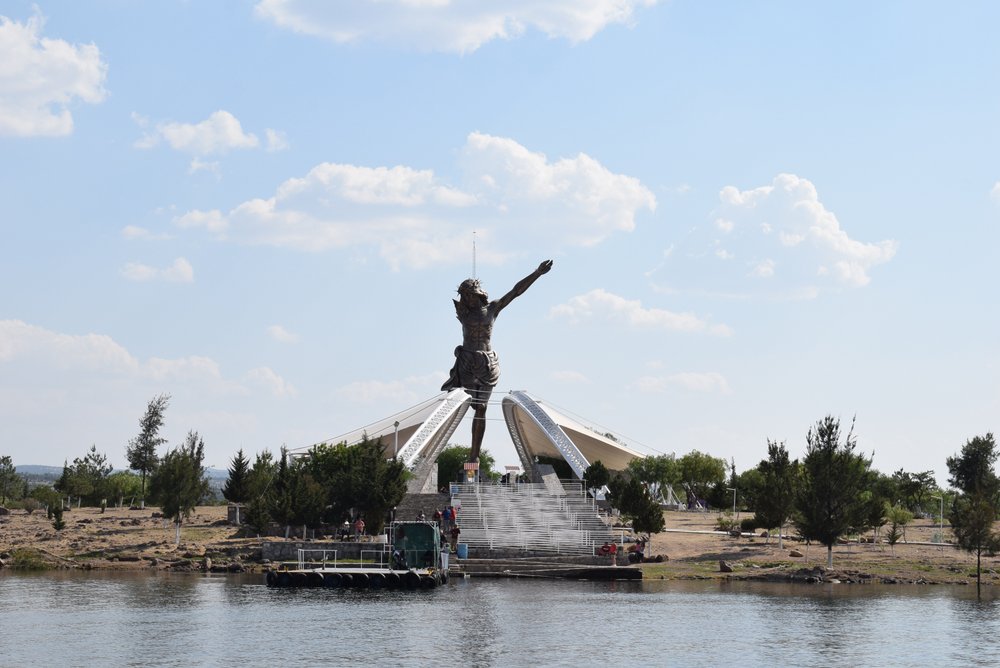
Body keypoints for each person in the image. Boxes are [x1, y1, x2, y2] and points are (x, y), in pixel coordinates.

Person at [441, 260, 553, 472]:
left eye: (470, 295)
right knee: (463, 402)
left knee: (481, 408)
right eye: (465, 296)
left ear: (478, 294)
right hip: (466, 360)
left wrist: (537, 273)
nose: (467, 299)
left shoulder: (493, 308)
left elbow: (515, 292)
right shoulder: (463, 313)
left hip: (487, 363)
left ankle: (474, 455)